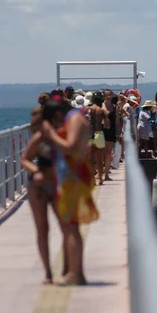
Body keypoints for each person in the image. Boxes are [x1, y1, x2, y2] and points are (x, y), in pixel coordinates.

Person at [41, 100, 99, 285]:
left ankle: (75, 273)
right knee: (72, 227)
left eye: (55, 122)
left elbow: (70, 146)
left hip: (73, 177)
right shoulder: (77, 117)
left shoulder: (74, 119)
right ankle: (77, 272)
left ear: (58, 115)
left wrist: (51, 135)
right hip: (75, 175)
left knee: (71, 228)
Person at [20, 107, 59, 284]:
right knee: (42, 229)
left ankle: (66, 267)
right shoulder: (38, 139)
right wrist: (36, 171)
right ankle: (48, 272)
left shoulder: (59, 135)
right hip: (38, 185)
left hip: (57, 183)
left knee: (66, 226)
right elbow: (24, 159)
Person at [87, 92, 110, 185]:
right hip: (99, 133)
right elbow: (107, 125)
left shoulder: (89, 109)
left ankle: (92, 180)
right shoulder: (101, 111)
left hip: (90, 135)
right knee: (99, 159)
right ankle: (100, 178)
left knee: (90, 159)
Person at [102, 89, 117, 180]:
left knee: (108, 153)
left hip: (111, 131)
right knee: (101, 153)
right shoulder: (101, 106)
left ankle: (106, 174)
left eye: (110, 95)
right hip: (101, 131)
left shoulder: (115, 107)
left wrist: (119, 132)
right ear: (104, 96)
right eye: (107, 95)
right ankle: (100, 172)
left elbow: (117, 121)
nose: (108, 97)